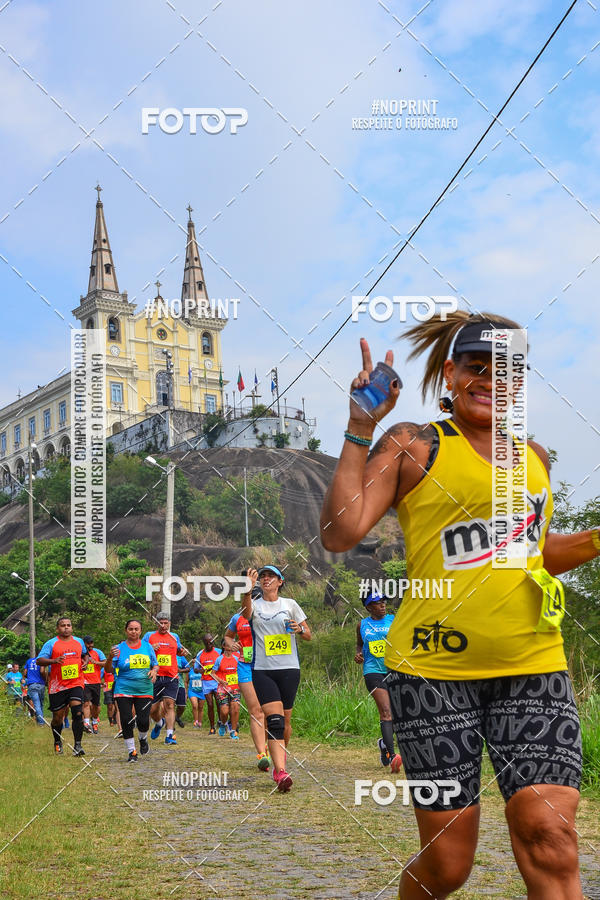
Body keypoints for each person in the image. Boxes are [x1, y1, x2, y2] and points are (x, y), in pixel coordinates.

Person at [320, 318, 593, 899]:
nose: (491, 380)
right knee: (447, 868)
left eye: (508, 370)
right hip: (433, 677)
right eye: (476, 367)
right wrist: (360, 424)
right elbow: (341, 533)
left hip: (533, 667)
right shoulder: (415, 444)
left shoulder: (535, 457)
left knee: (550, 831)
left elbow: (534, 553)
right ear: (450, 373)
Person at [242, 565, 311, 792]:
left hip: (290, 669)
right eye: (262, 576)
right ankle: (280, 773)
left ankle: (280, 761)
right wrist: (247, 589)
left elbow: (308, 634)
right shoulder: (255, 605)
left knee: (286, 722)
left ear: (280, 581)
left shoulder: (290, 605)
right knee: (275, 722)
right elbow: (245, 613)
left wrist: (299, 630)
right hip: (263, 670)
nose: (266, 579)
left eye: (270, 576)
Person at [354, 591, 401, 769]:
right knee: (386, 711)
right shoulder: (362, 625)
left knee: (400, 715)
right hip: (373, 671)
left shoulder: (393, 620)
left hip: (395, 670)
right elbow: (359, 644)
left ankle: (383, 744)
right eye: (377, 602)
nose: (382, 605)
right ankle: (392, 755)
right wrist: (358, 654)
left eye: (383, 602)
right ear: (368, 607)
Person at [106, 619, 158, 762]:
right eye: (130, 629)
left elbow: (155, 664)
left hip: (144, 689)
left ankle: (142, 739)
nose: (133, 631)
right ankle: (132, 752)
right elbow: (108, 670)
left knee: (143, 720)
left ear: (141, 631)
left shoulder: (147, 647)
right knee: (126, 719)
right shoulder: (118, 648)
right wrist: (110, 657)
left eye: (136, 629)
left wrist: (154, 671)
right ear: (126, 631)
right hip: (123, 688)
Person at [37, 617, 89, 756]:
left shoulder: (79, 642)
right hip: (57, 685)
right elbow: (39, 661)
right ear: (57, 628)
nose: (66, 627)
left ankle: (77, 746)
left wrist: (86, 662)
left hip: (76, 682)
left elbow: (85, 655)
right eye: (62, 625)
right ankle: (57, 741)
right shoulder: (51, 643)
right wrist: (53, 660)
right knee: (57, 718)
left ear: (72, 627)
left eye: (68, 625)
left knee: (78, 712)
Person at [225, 609, 269, 770]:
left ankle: (268, 747)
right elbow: (228, 636)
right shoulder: (238, 618)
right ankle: (261, 754)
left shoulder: (271, 613)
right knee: (256, 710)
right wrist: (231, 644)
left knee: (268, 710)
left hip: (268, 664)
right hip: (245, 665)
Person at [144, 612, 185, 746]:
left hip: (171, 676)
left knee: (169, 705)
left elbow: (178, 650)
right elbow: (139, 650)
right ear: (156, 623)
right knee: (152, 710)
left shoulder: (174, 637)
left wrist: (182, 652)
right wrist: (149, 648)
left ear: (169, 624)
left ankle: (169, 736)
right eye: (160, 622)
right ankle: (159, 723)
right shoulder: (149, 636)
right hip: (155, 676)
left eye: (165, 623)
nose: (163, 625)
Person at [212, 638, 241, 739]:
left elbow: (240, 672)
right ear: (224, 646)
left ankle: (233, 731)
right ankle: (223, 724)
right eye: (229, 644)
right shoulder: (219, 659)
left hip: (235, 687)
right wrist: (220, 681)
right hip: (222, 688)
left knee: (235, 708)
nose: (231, 645)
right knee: (224, 711)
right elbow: (212, 674)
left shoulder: (237, 658)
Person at [194, 634, 220, 735]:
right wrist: (200, 670)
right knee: (210, 704)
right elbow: (195, 669)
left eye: (212, 641)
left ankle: (222, 722)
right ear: (204, 643)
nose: (210, 643)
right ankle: (212, 727)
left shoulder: (218, 651)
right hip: (206, 682)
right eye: (208, 642)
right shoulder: (200, 654)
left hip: (217, 681)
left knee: (219, 703)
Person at [82, 636, 106, 734]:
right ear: (84, 644)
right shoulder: (81, 653)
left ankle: (95, 721)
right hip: (84, 682)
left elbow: (106, 663)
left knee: (96, 705)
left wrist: (96, 662)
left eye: (92, 643)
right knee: (86, 703)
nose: (90, 645)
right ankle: (87, 723)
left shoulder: (98, 652)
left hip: (96, 682)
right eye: (88, 643)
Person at [24, 654, 46, 725]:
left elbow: (25, 673)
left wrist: (30, 677)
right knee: (41, 704)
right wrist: (45, 680)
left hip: (32, 684)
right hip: (41, 684)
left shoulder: (29, 661)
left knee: (36, 704)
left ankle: (40, 721)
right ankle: (41, 721)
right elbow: (42, 671)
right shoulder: (42, 661)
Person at [175, 654, 189, 729]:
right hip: (168, 684)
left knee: (181, 706)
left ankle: (177, 717)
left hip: (180, 684)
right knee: (169, 705)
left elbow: (188, 668)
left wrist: (180, 670)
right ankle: (170, 726)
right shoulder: (165, 654)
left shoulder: (180, 657)